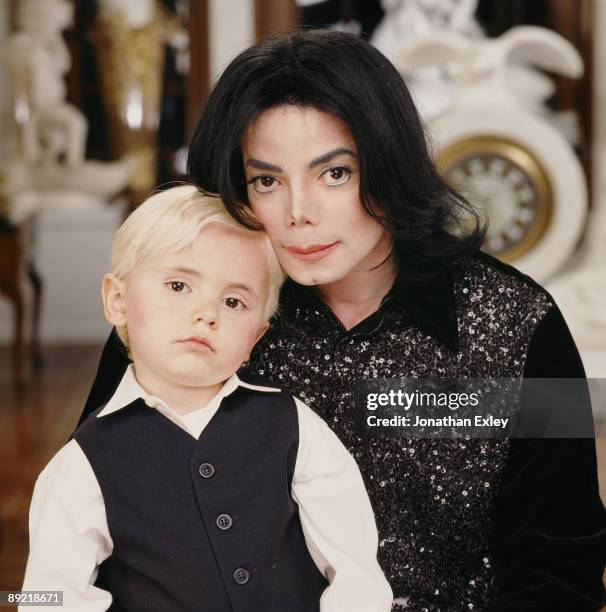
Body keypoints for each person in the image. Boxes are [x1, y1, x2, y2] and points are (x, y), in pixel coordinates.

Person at [80, 30, 606, 611]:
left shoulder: (518, 323)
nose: (299, 213)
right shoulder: (181, 321)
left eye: (335, 173)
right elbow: (100, 537)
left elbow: (562, 570)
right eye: (267, 181)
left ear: (389, 164)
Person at [22, 185, 393, 612]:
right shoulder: (81, 464)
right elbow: (49, 598)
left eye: (234, 300)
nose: (207, 313)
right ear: (118, 301)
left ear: (255, 337)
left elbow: (356, 569)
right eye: (179, 285)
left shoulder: (293, 425)